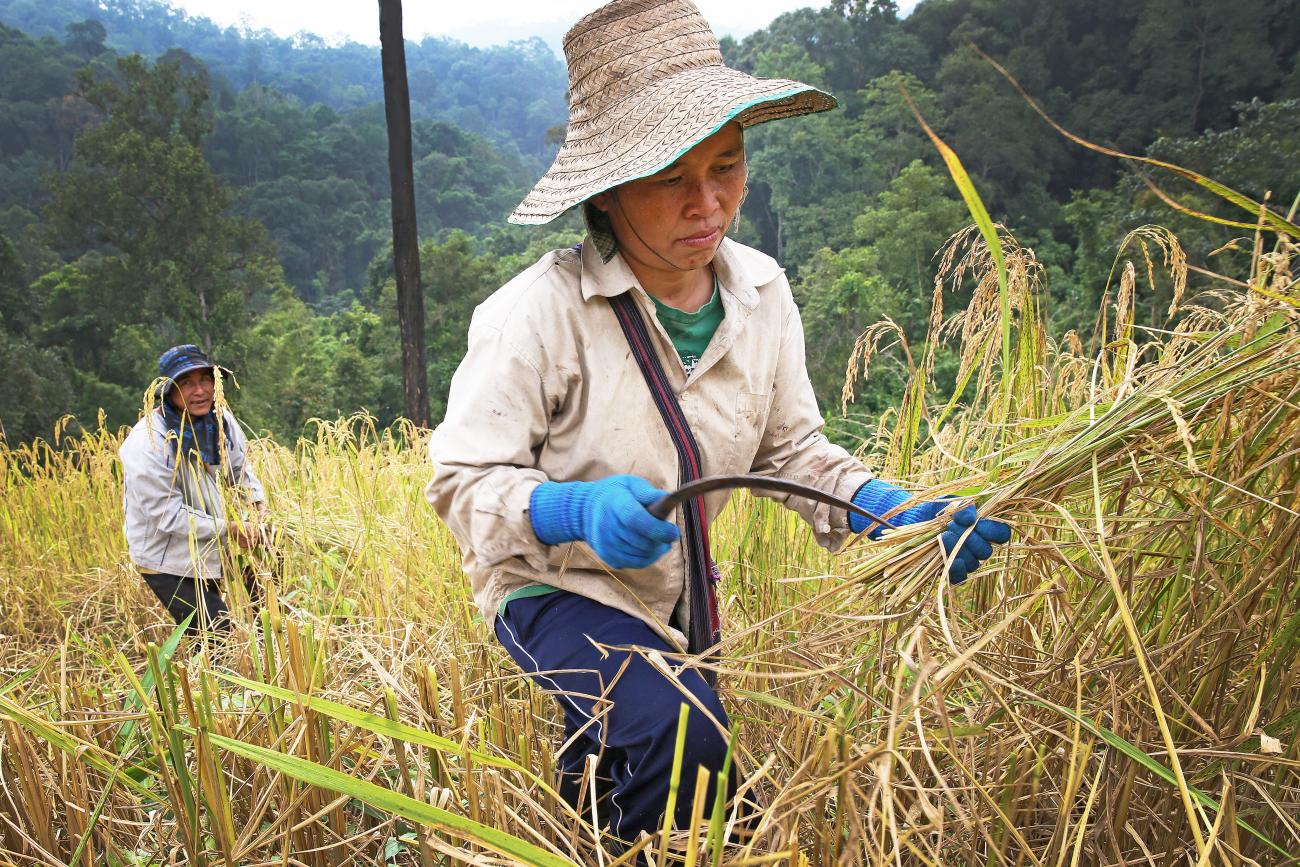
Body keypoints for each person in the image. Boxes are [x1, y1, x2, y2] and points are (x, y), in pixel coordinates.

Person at [425, 0, 1012, 847]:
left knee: (651, 769)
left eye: (726, 167)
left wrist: (891, 510)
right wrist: (571, 508)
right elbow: (461, 483)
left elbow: (792, 450)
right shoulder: (537, 316)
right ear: (607, 191)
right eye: (672, 178)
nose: (708, 204)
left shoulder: (761, 294)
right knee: (682, 734)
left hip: (677, 595)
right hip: (553, 585)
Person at [119, 344, 267, 637]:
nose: (200, 391)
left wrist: (257, 505)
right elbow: (169, 516)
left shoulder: (220, 421)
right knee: (216, 633)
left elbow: (239, 469)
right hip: (167, 557)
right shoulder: (149, 442)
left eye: (205, 380)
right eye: (186, 383)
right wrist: (230, 529)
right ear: (168, 391)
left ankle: (268, 651)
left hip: (210, 543)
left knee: (267, 595)